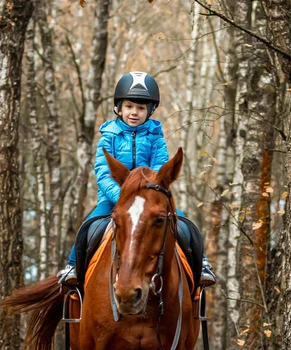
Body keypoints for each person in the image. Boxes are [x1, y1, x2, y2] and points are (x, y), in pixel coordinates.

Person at [58, 71, 216, 287]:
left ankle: (202, 265)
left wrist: (149, 196)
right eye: (130, 106)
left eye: (141, 108)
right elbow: (103, 173)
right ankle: (73, 266)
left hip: (150, 200)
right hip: (114, 198)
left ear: (149, 110)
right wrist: (123, 197)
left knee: (185, 225)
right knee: (90, 225)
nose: (134, 112)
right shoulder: (109, 135)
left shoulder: (155, 137)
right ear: (119, 108)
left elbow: (160, 168)